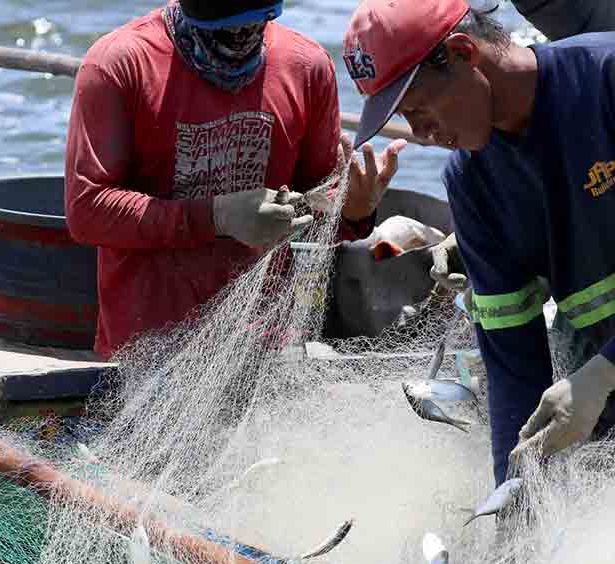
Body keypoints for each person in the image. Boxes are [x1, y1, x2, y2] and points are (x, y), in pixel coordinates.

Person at [344, 0, 615, 484]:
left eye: (419, 109)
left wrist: (604, 372)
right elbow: (515, 370)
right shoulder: (472, 185)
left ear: (463, 52)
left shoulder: (605, 78)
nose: (423, 135)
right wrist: (513, 500)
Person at [64, 0, 405, 359]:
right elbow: (88, 211)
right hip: (147, 345)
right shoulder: (119, 64)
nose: (240, 36)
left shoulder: (306, 67)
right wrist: (217, 216)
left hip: (266, 343)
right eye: (224, 27)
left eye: (256, 21)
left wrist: (353, 212)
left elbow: (317, 208)